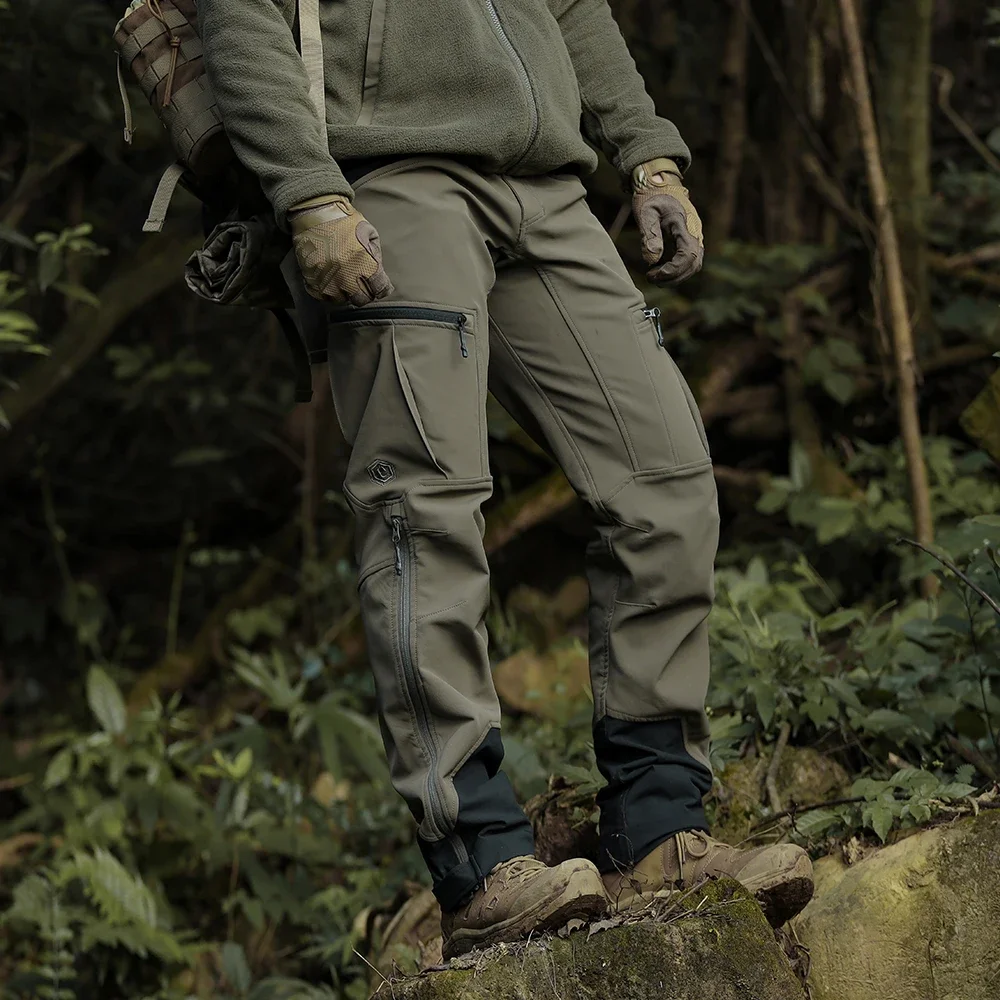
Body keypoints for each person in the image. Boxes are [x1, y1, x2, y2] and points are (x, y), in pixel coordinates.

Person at [198, 0, 814, 959]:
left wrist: (649, 155)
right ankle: (480, 859)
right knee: (423, 511)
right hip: (388, 179)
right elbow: (240, 17)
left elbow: (571, 7)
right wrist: (310, 194)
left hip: (549, 190)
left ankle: (657, 831)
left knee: (666, 475)